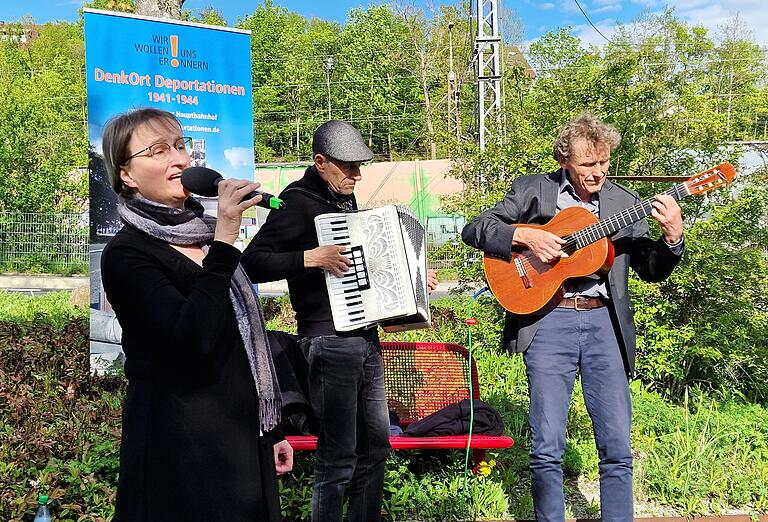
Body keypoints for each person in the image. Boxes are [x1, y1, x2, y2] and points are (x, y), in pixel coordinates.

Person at [462, 113, 684, 521]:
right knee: (547, 445)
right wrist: (526, 234)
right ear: (566, 161)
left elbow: (651, 269)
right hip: (548, 322)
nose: (598, 172)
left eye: (604, 163)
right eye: (587, 165)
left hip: (605, 326)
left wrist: (672, 236)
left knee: (617, 444)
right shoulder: (534, 191)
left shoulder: (623, 203)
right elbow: (476, 229)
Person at [99, 107, 293, 521]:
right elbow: (192, 338)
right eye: (158, 150)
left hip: (242, 435)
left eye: (180, 146)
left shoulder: (204, 236)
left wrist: (274, 428)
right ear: (127, 175)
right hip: (181, 446)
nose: (181, 160)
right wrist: (225, 240)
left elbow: (243, 340)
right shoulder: (127, 254)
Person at [242, 120, 437, 522]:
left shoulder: (343, 199)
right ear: (320, 162)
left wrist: (412, 277)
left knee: (376, 448)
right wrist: (309, 258)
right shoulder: (296, 203)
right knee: (337, 457)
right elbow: (251, 262)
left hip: (364, 338)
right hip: (327, 341)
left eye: (360, 166)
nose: (357, 175)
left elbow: (370, 267)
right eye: (348, 167)